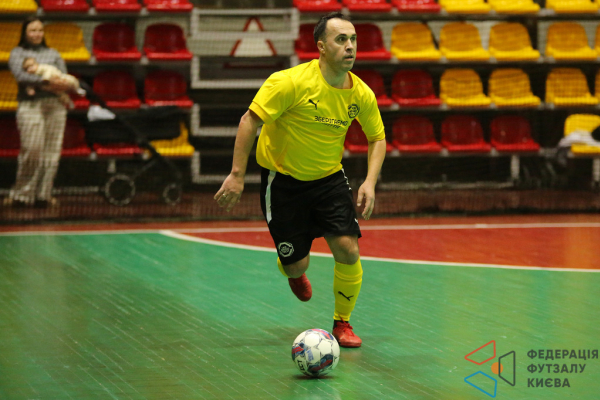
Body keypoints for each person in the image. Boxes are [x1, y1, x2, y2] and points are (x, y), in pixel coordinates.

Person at [214, 12, 387, 348]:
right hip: (283, 182)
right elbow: (250, 120)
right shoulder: (289, 82)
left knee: (348, 248)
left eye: (353, 39)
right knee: (297, 265)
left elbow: (377, 138)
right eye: (341, 39)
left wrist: (370, 181)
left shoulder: (361, 94)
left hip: (329, 179)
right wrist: (237, 175)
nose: (350, 46)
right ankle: (291, 268)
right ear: (321, 46)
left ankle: (342, 323)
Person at [5, 16, 72, 208]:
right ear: (25, 33)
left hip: (55, 106)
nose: (37, 34)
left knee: (51, 151)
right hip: (30, 106)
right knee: (32, 149)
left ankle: (44, 194)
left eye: (40, 30)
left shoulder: (53, 53)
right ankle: (22, 195)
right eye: (33, 30)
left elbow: (64, 77)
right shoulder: (18, 53)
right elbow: (21, 76)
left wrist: (54, 84)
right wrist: (46, 83)